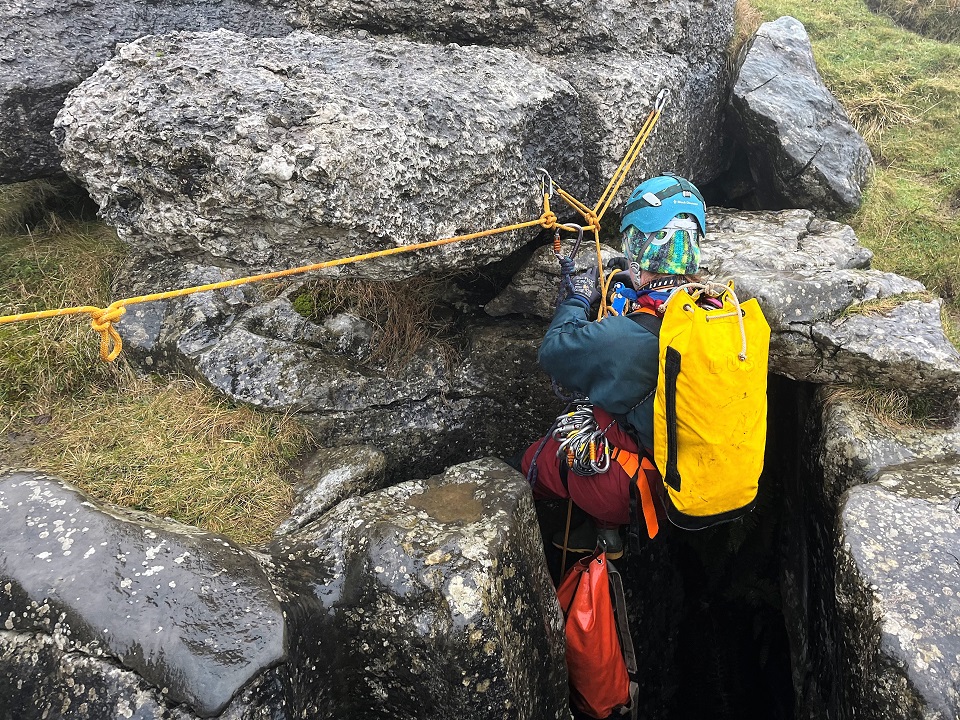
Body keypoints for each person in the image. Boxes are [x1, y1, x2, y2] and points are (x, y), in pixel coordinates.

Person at [520, 174, 708, 560]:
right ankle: (606, 534)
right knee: (621, 411)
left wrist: (577, 299)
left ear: (641, 244)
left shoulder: (624, 339)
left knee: (531, 463)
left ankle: (598, 521)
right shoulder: (713, 312)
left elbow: (553, 352)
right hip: (693, 478)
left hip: (633, 488)